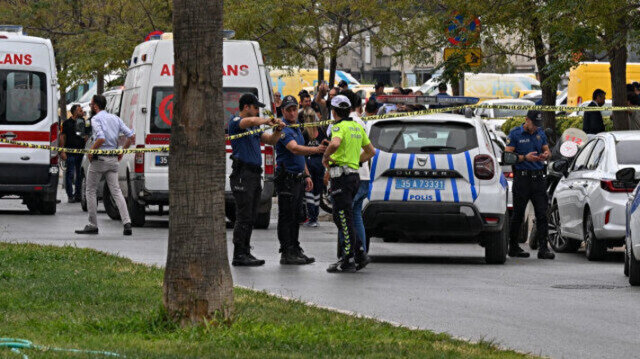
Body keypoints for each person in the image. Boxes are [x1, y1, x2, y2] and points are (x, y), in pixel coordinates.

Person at [228, 94, 285, 266]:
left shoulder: (254, 127)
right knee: (243, 215)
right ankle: (239, 253)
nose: (257, 110)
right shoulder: (236, 121)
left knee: (252, 215)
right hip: (242, 174)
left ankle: (246, 250)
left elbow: (270, 140)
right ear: (246, 107)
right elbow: (248, 122)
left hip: (253, 174)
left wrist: (277, 130)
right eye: (255, 107)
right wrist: (266, 120)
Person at [322, 95, 376, 272]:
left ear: (334, 111)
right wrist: (355, 161)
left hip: (342, 179)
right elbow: (371, 151)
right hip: (354, 177)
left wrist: (326, 157)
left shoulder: (339, 127)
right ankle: (359, 253)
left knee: (342, 218)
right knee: (349, 217)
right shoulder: (356, 126)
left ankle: (347, 258)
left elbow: (335, 143)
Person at [275, 95, 327, 264]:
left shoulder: (296, 128)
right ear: (283, 111)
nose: (292, 112)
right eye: (289, 110)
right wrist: (317, 150)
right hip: (286, 179)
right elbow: (295, 149)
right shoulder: (282, 129)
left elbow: (300, 158)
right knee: (287, 216)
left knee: (297, 216)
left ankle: (295, 248)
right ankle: (287, 251)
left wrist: (306, 174)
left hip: (297, 178)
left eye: (294, 109)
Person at [75, 95, 134, 236]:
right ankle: (127, 223)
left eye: (90, 105)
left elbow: (101, 137)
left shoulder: (96, 119)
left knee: (90, 190)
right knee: (116, 191)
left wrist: (92, 150)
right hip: (113, 159)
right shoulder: (115, 118)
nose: (90, 108)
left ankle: (92, 224)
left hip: (99, 160)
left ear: (96, 106)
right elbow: (131, 136)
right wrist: (122, 151)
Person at [505, 110, 555, 260]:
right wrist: (524, 158)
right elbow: (507, 156)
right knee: (518, 214)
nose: (535, 127)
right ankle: (513, 246)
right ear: (526, 120)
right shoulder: (515, 134)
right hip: (522, 178)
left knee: (542, 213)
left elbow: (547, 150)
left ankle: (543, 248)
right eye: (533, 123)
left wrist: (546, 155)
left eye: (537, 124)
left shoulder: (540, 133)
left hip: (538, 178)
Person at [302, 107, 327, 228]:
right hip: (320, 162)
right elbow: (328, 144)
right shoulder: (321, 131)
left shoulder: (304, 133)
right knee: (318, 190)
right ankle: (315, 216)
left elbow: (301, 150)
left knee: (309, 190)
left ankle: (312, 217)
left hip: (309, 161)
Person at [60, 104, 86, 203]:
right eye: (80, 110)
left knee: (80, 174)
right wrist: (62, 150)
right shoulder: (66, 123)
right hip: (70, 152)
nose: (82, 112)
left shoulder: (83, 122)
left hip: (81, 152)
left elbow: (86, 135)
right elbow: (62, 137)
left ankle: (78, 195)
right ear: (74, 112)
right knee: (70, 173)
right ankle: (70, 195)